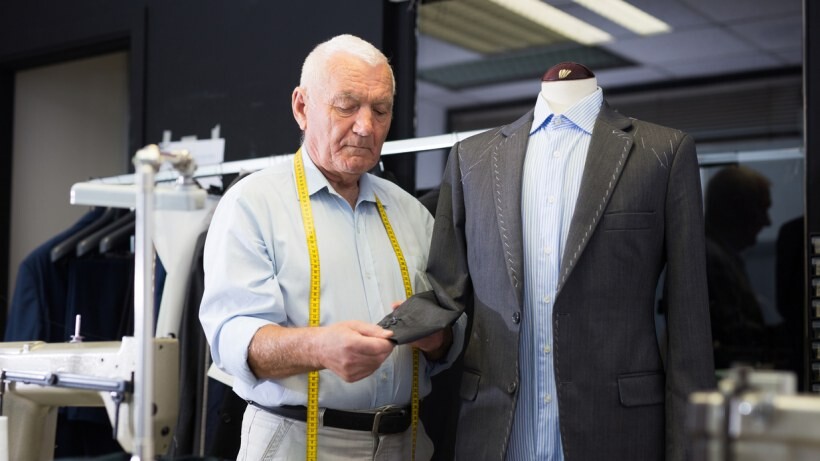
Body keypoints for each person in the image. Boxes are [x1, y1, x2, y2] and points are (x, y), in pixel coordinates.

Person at [385, 62, 716, 461]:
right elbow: (445, 290)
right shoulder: (471, 158)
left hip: (619, 431)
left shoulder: (664, 152)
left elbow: (690, 325)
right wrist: (394, 326)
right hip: (495, 433)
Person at [199, 34, 461, 461]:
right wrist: (319, 348)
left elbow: (451, 333)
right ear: (302, 107)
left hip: (407, 442)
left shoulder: (414, 215)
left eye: (381, 110)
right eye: (347, 105)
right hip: (296, 440)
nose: (366, 127)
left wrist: (439, 340)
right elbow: (231, 339)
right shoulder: (252, 203)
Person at [704, 165, 774, 369]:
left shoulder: (719, 255)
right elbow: (733, 336)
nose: (768, 222)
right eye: (762, 208)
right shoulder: (713, 259)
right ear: (736, 209)